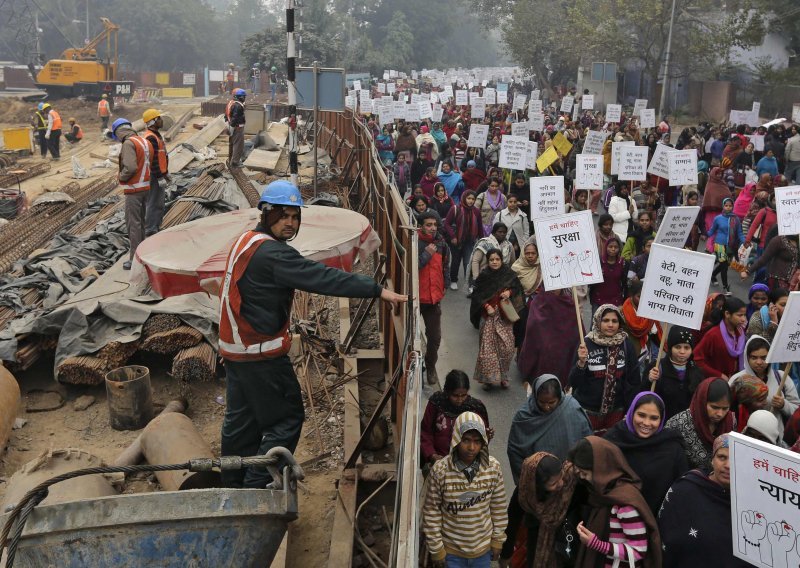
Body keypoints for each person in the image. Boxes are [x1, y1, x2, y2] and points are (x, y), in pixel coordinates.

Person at [217, 181, 406, 487]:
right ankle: (257, 487)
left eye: (294, 217)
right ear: (267, 213)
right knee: (286, 419)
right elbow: (322, 278)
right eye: (283, 216)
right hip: (260, 356)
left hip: (236, 352)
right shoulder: (273, 255)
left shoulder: (246, 240)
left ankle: (231, 485)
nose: (290, 223)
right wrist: (375, 290)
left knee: (242, 425)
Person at [423, 412, 508, 567]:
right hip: (451, 553)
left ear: (483, 442)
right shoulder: (441, 471)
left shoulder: (493, 468)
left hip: (482, 551)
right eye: (466, 440)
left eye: (477, 441)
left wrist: (497, 539)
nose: (471, 448)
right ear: (456, 439)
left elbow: (498, 507)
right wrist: (436, 549)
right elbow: (431, 511)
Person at [657, 434, 750, 567]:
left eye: (736, 458)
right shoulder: (686, 489)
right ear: (712, 460)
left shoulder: (751, 501)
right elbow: (667, 536)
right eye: (722, 457)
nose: (728, 465)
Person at [569, 437, 662, 567]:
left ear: (601, 470)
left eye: (584, 473)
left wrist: (595, 543)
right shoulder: (602, 494)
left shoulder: (624, 505)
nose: (582, 478)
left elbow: (638, 551)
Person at [604, 392, 690, 515]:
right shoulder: (614, 439)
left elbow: (681, 488)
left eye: (654, 418)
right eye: (641, 415)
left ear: (662, 419)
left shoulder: (672, 447)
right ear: (632, 413)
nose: (646, 423)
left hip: (657, 519)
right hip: (616, 521)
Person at [569, 304, 642, 435]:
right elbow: (573, 382)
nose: (610, 325)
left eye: (614, 321)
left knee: (610, 450)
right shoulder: (585, 344)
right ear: (598, 321)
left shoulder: (626, 344)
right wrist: (581, 362)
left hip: (616, 413)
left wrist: (630, 409)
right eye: (606, 320)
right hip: (587, 412)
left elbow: (634, 380)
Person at [507, 374, 592, 485]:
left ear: (559, 397)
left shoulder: (572, 408)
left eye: (552, 402)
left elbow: (586, 439)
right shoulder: (524, 417)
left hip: (569, 478)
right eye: (542, 402)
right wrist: (527, 479)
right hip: (539, 480)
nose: (546, 407)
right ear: (535, 396)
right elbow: (514, 450)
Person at [512, 452, 582, 568]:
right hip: (534, 548)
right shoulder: (526, 495)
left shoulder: (570, 488)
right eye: (553, 483)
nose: (561, 483)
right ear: (538, 485)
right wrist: (506, 553)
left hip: (564, 550)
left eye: (561, 476)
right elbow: (513, 521)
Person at [470, 249, 524, 390]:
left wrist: (509, 292)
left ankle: (503, 376)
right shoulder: (483, 276)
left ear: (501, 260)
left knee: (506, 348)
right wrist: (487, 305)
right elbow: (477, 296)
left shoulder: (509, 275)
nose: (494, 262)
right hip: (488, 317)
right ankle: (488, 379)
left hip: (505, 316)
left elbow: (517, 288)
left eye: (497, 259)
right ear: (488, 262)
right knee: (488, 349)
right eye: (491, 260)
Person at [730, 335, 800, 437]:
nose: (759, 362)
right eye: (754, 357)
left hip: (775, 438)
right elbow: (728, 409)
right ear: (747, 357)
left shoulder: (782, 379)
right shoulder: (737, 380)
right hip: (744, 437)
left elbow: (797, 411)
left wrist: (783, 405)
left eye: (764, 358)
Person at [420, 370, 491, 467]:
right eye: (455, 395)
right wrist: (432, 455)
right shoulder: (437, 403)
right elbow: (425, 431)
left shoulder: (475, 408)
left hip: (467, 465)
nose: (460, 400)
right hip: (438, 462)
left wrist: (486, 436)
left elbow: (479, 440)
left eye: (463, 395)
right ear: (447, 391)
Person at [665, 377, 734, 470]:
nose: (720, 414)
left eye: (725, 408)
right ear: (701, 401)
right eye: (714, 407)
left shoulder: (730, 421)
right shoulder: (677, 424)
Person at [110, 118, 151, 271]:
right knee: (141, 223)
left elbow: (131, 167)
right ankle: (143, 254)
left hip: (134, 190)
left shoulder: (128, 144)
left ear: (119, 132)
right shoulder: (142, 140)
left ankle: (134, 259)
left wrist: (121, 177)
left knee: (133, 225)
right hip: (145, 187)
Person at [418, 212, 450, 385]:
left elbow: (446, 266)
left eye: (434, 224)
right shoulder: (414, 241)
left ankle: (430, 367)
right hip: (415, 298)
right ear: (421, 225)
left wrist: (444, 285)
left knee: (435, 338)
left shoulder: (441, 244)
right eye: (428, 224)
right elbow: (411, 266)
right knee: (412, 337)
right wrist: (426, 254)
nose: (432, 228)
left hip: (433, 300)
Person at [647, 326, 705, 420]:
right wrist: (649, 380)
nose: (682, 352)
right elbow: (642, 395)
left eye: (686, 348)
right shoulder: (656, 367)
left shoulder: (696, 371)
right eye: (677, 347)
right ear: (670, 347)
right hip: (660, 422)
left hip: (685, 425)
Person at [694, 296, 747, 379]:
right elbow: (697, 360)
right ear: (727, 314)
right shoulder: (713, 335)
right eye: (739, 315)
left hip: (735, 380)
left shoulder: (740, 333)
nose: (743, 319)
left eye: (744, 315)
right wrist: (719, 375)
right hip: (717, 384)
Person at [444, 190, 482, 291]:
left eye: (473, 199)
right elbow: (447, 224)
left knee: (468, 262)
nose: (470, 201)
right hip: (456, 240)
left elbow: (480, 227)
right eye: (468, 198)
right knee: (456, 261)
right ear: (464, 198)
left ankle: (469, 283)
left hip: (470, 241)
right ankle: (453, 280)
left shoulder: (476, 211)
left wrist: (482, 240)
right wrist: (453, 237)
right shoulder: (455, 208)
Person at [142, 109, 170, 237]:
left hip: (159, 174)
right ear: (153, 121)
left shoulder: (156, 134)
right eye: (159, 118)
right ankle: (150, 229)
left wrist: (166, 173)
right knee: (153, 202)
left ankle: (156, 226)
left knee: (158, 202)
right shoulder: (151, 137)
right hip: (154, 175)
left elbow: (162, 156)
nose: (161, 120)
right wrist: (159, 176)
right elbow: (152, 160)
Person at [708, 197, 744, 292]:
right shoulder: (718, 218)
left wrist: (745, 241)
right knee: (724, 266)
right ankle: (725, 287)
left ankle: (713, 275)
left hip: (731, 246)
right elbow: (712, 230)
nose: (728, 207)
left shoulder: (736, 219)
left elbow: (739, 233)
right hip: (719, 245)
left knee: (725, 264)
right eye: (726, 205)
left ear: (733, 206)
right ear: (723, 206)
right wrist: (703, 234)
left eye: (730, 206)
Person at [511, 238, 541, 349]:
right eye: (527, 253)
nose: (530, 255)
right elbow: (510, 287)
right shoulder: (516, 268)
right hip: (520, 306)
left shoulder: (542, 267)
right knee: (521, 332)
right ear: (523, 254)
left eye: (533, 253)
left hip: (539, 307)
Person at [620, 281, 660, 360]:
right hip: (628, 354)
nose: (642, 300)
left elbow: (655, 332)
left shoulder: (649, 310)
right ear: (632, 295)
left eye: (645, 297)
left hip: (645, 353)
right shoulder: (623, 312)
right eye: (639, 296)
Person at [471, 223, 516, 287]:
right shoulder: (484, 243)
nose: (502, 234)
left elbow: (512, 263)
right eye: (500, 232)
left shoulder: (509, 245)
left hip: (502, 279)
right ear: (494, 232)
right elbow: (475, 261)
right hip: (485, 278)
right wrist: (476, 278)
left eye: (504, 232)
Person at [590, 237, 627, 312]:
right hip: (598, 300)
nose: (613, 249)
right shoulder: (598, 262)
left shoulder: (622, 263)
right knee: (596, 323)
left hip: (616, 301)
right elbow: (591, 284)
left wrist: (623, 302)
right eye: (610, 247)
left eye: (616, 247)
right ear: (606, 247)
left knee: (612, 323)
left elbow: (625, 283)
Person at [701, 167, 732, 232]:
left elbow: (728, 195)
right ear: (713, 174)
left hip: (722, 212)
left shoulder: (723, 183)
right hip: (711, 213)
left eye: (721, 174)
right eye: (717, 174)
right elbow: (708, 198)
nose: (719, 175)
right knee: (713, 233)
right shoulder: (710, 185)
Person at [225, 88, 247, 168]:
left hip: (232, 126)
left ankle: (231, 160)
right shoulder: (238, 106)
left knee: (232, 144)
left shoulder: (231, 103)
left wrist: (229, 127)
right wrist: (232, 128)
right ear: (238, 97)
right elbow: (234, 118)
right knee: (238, 146)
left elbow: (226, 116)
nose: (244, 98)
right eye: (243, 96)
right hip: (237, 128)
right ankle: (235, 162)